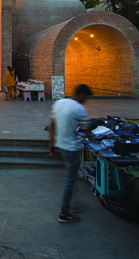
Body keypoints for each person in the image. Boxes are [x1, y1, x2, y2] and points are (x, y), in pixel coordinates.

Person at [48, 84, 93, 223]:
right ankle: (64, 212)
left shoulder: (59, 103)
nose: (85, 101)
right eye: (86, 97)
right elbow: (87, 131)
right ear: (82, 94)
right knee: (70, 179)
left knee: (71, 177)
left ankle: (74, 202)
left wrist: (51, 143)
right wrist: (90, 137)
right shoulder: (79, 109)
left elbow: (52, 125)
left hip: (61, 145)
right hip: (72, 148)